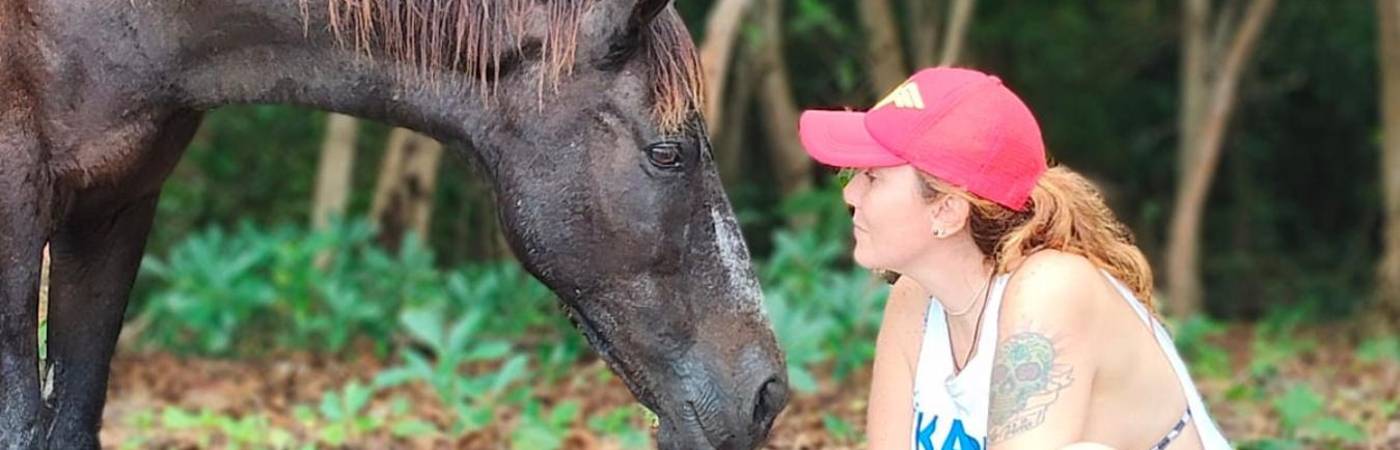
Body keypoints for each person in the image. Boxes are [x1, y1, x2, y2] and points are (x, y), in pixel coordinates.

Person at [796, 67, 1231, 450]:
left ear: (946, 210)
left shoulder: (1050, 287)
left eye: (872, 177)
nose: (850, 194)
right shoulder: (915, 299)